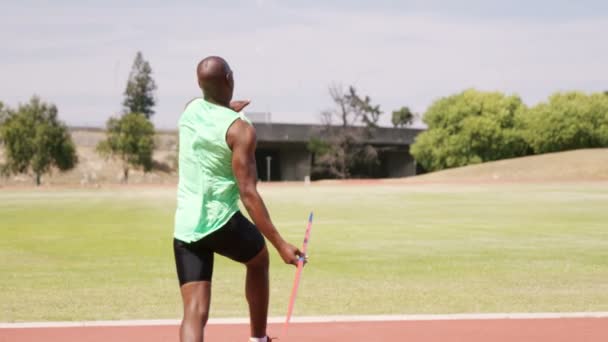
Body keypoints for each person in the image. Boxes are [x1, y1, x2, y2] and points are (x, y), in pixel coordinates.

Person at [173, 56, 303, 342]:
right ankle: (258, 338)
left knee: (194, 311)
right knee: (258, 260)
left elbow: (209, 114)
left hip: (185, 227)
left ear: (199, 84)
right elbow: (248, 193)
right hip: (219, 222)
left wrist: (225, 108)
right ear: (230, 80)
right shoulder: (241, 130)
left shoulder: (189, 110)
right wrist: (281, 244)